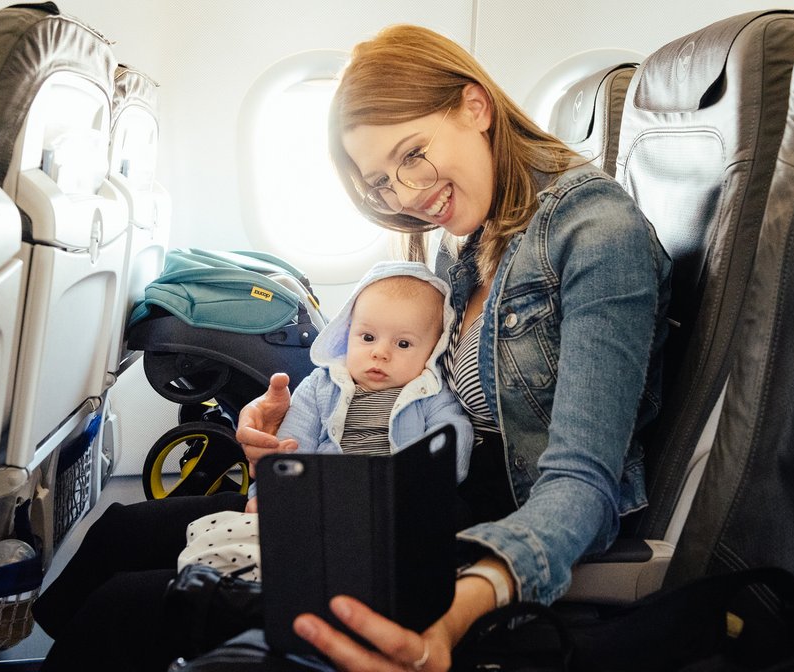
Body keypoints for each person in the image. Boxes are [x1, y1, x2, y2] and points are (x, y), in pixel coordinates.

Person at [235, 23, 672, 672]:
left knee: (137, 607)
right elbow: (425, 383)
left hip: (495, 532)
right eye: (381, 181)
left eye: (413, 154)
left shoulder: (598, 236)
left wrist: (465, 601)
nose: (407, 195)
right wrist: (299, 424)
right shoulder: (468, 232)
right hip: (415, 495)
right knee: (122, 540)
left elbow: (582, 483)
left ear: (475, 106)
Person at [179, 260, 474, 580]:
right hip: (319, 496)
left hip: (388, 506)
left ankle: (287, 575)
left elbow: (452, 441)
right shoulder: (322, 386)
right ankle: (217, 576)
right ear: (348, 333)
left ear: (433, 350)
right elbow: (290, 445)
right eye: (368, 337)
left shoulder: (430, 394)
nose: (380, 353)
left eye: (403, 343)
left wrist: (416, 486)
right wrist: (267, 494)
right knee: (224, 534)